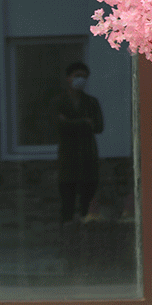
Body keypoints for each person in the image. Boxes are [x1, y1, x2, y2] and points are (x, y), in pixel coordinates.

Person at [54, 62, 104, 223]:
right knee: (67, 204)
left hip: (87, 158)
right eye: (77, 76)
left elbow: (98, 126)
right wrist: (84, 122)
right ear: (68, 78)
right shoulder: (59, 102)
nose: (80, 80)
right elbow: (57, 126)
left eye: (83, 77)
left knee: (86, 205)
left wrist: (70, 122)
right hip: (68, 159)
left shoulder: (91, 102)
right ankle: (67, 238)